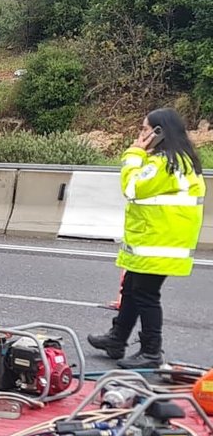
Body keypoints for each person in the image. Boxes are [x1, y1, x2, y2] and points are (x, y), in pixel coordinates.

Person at [87, 108, 205, 368]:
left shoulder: (165, 163)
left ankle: (152, 351)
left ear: (158, 132)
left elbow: (132, 188)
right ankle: (117, 339)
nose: (140, 134)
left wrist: (133, 154)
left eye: (144, 129)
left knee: (146, 295)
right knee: (131, 288)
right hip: (156, 241)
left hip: (159, 244)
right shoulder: (177, 160)